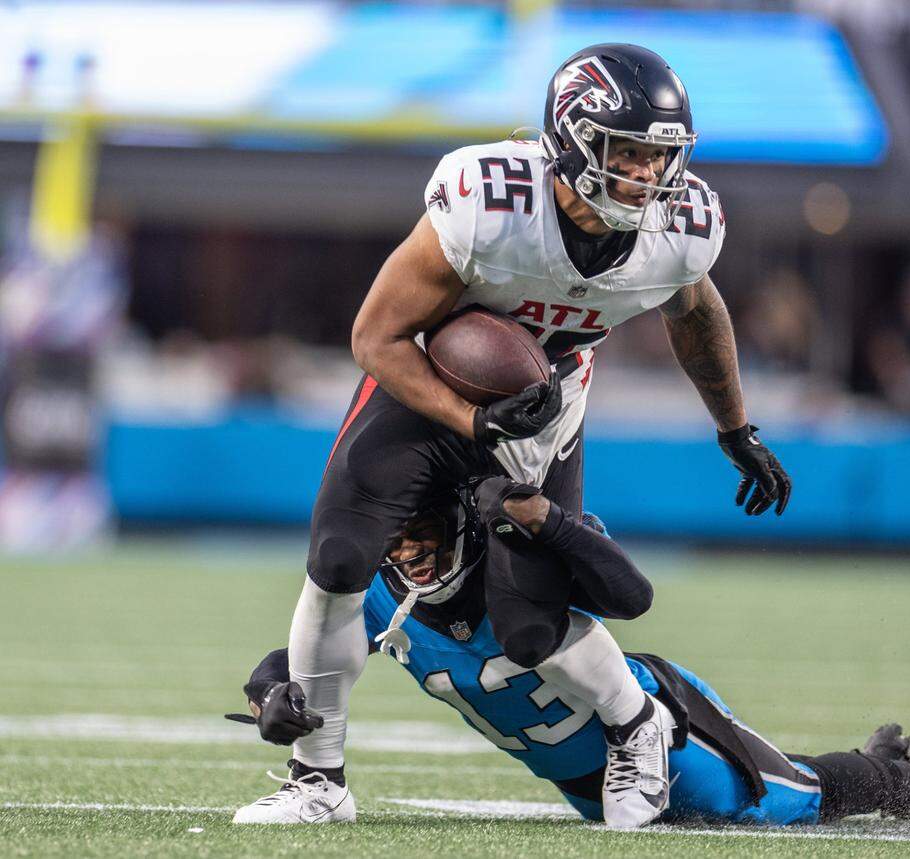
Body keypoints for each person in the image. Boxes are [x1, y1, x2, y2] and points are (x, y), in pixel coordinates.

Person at [239, 43, 793, 827]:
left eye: (658, 156)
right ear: (569, 138)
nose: (644, 175)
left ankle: (640, 724)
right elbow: (376, 338)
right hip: (435, 383)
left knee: (528, 626)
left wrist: (735, 428)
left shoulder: (682, 226)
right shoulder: (492, 199)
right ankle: (316, 779)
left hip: (548, 405)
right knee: (339, 556)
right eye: (626, 153)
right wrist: (468, 417)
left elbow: (696, 311)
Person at [229, 481, 910, 828]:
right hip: (584, 781)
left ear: (464, 526)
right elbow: (306, 660)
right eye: (395, 539)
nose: (407, 555)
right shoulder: (379, 592)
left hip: (656, 728)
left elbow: (629, 591)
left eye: (424, 536)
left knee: (794, 800)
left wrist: (548, 524)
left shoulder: (516, 562)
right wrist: (274, 692)